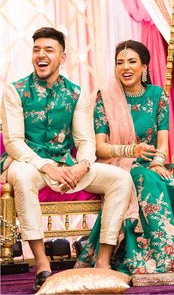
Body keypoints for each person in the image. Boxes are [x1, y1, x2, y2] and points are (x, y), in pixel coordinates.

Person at [75, 40, 174, 286]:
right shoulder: (105, 98)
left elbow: (162, 143)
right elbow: (100, 147)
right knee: (146, 179)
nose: (125, 68)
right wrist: (131, 150)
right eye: (120, 63)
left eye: (131, 62)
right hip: (119, 165)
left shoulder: (157, 95)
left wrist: (158, 161)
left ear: (144, 67)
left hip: (153, 166)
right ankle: (163, 259)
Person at [0, 28, 133, 292]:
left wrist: (82, 165)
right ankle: (42, 264)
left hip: (66, 165)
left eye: (49, 50)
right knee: (23, 177)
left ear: (62, 57)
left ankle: (104, 261)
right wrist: (45, 166)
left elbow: (85, 142)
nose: (41, 55)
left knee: (120, 178)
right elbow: (13, 142)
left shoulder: (76, 93)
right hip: (28, 164)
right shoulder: (15, 91)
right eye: (37, 49)